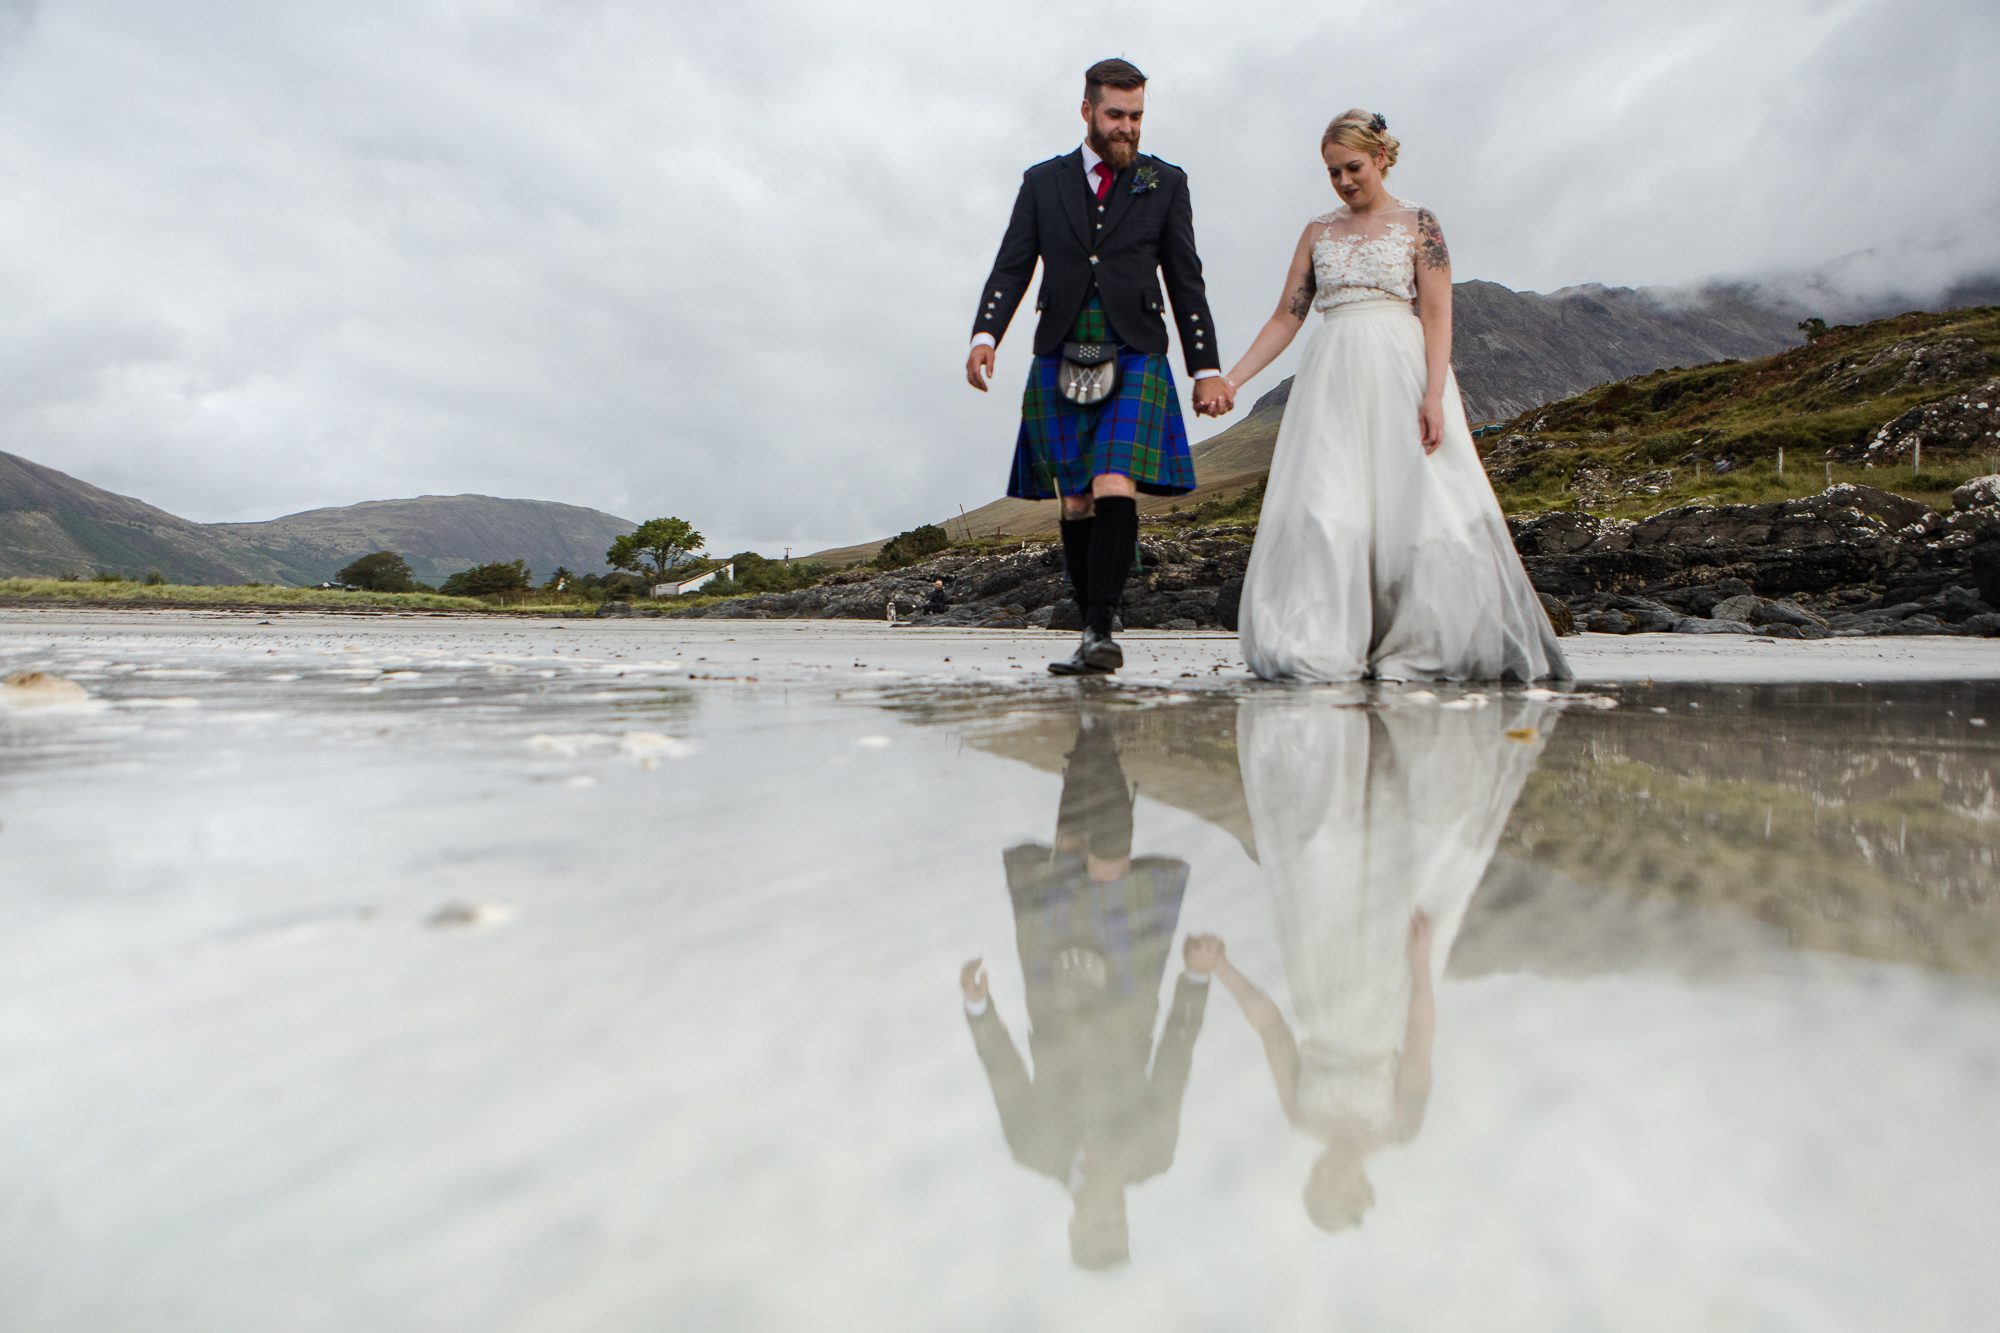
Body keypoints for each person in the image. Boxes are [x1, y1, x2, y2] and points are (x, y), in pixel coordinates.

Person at [1220, 110, 1567, 682]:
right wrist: (1234, 378)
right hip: (1332, 373)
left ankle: (1424, 639)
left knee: (1420, 504)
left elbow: (1436, 313)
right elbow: (1288, 316)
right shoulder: (1317, 231)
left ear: (1381, 157)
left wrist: (1434, 395)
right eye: (1332, 172)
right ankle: (1324, 642)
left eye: (1352, 167)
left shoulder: (1419, 224)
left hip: (1401, 369)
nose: (1343, 181)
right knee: (1329, 506)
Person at [1202, 691, 1556, 1231]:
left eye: (1314, 1184)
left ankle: (1340, 733)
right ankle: (1400, 731)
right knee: (1392, 857)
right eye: (1330, 1188)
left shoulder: (1301, 1117)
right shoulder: (1400, 1127)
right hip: (1384, 990)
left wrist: (1222, 970)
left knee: (1327, 859)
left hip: (1317, 980)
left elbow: (1273, 1031)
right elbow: (1419, 1042)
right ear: (1359, 1188)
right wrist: (1421, 961)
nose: (1321, 1176)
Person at [964, 58, 1233, 677]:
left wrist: (1205, 369)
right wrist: (986, 335)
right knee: (1076, 499)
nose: (1127, 128)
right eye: (1116, 115)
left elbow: (1186, 279)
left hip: (1135, 346)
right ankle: (1090, 627)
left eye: (1137, 116)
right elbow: (1012, 265)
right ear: (1087, 111)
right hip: (1060, 345)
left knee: (1115, 479)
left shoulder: (1165, 182)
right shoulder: (1043, 182)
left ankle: (1102, 625)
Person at [957, 711, 1214, 1268]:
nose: (1112, 1215)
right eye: (1120, 1227)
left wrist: (979, 1007)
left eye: (1100, 1227)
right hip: (1128, 989)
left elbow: (1002, 1071)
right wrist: (1195, 981)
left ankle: (1090, 737)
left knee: (1069, 849)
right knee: (1109, 868)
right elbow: (1174, 1065)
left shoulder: (1034, 1150)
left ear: (1075, 1224)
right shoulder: (1153, 1156)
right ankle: (1105, 740)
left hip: (1054, 987)